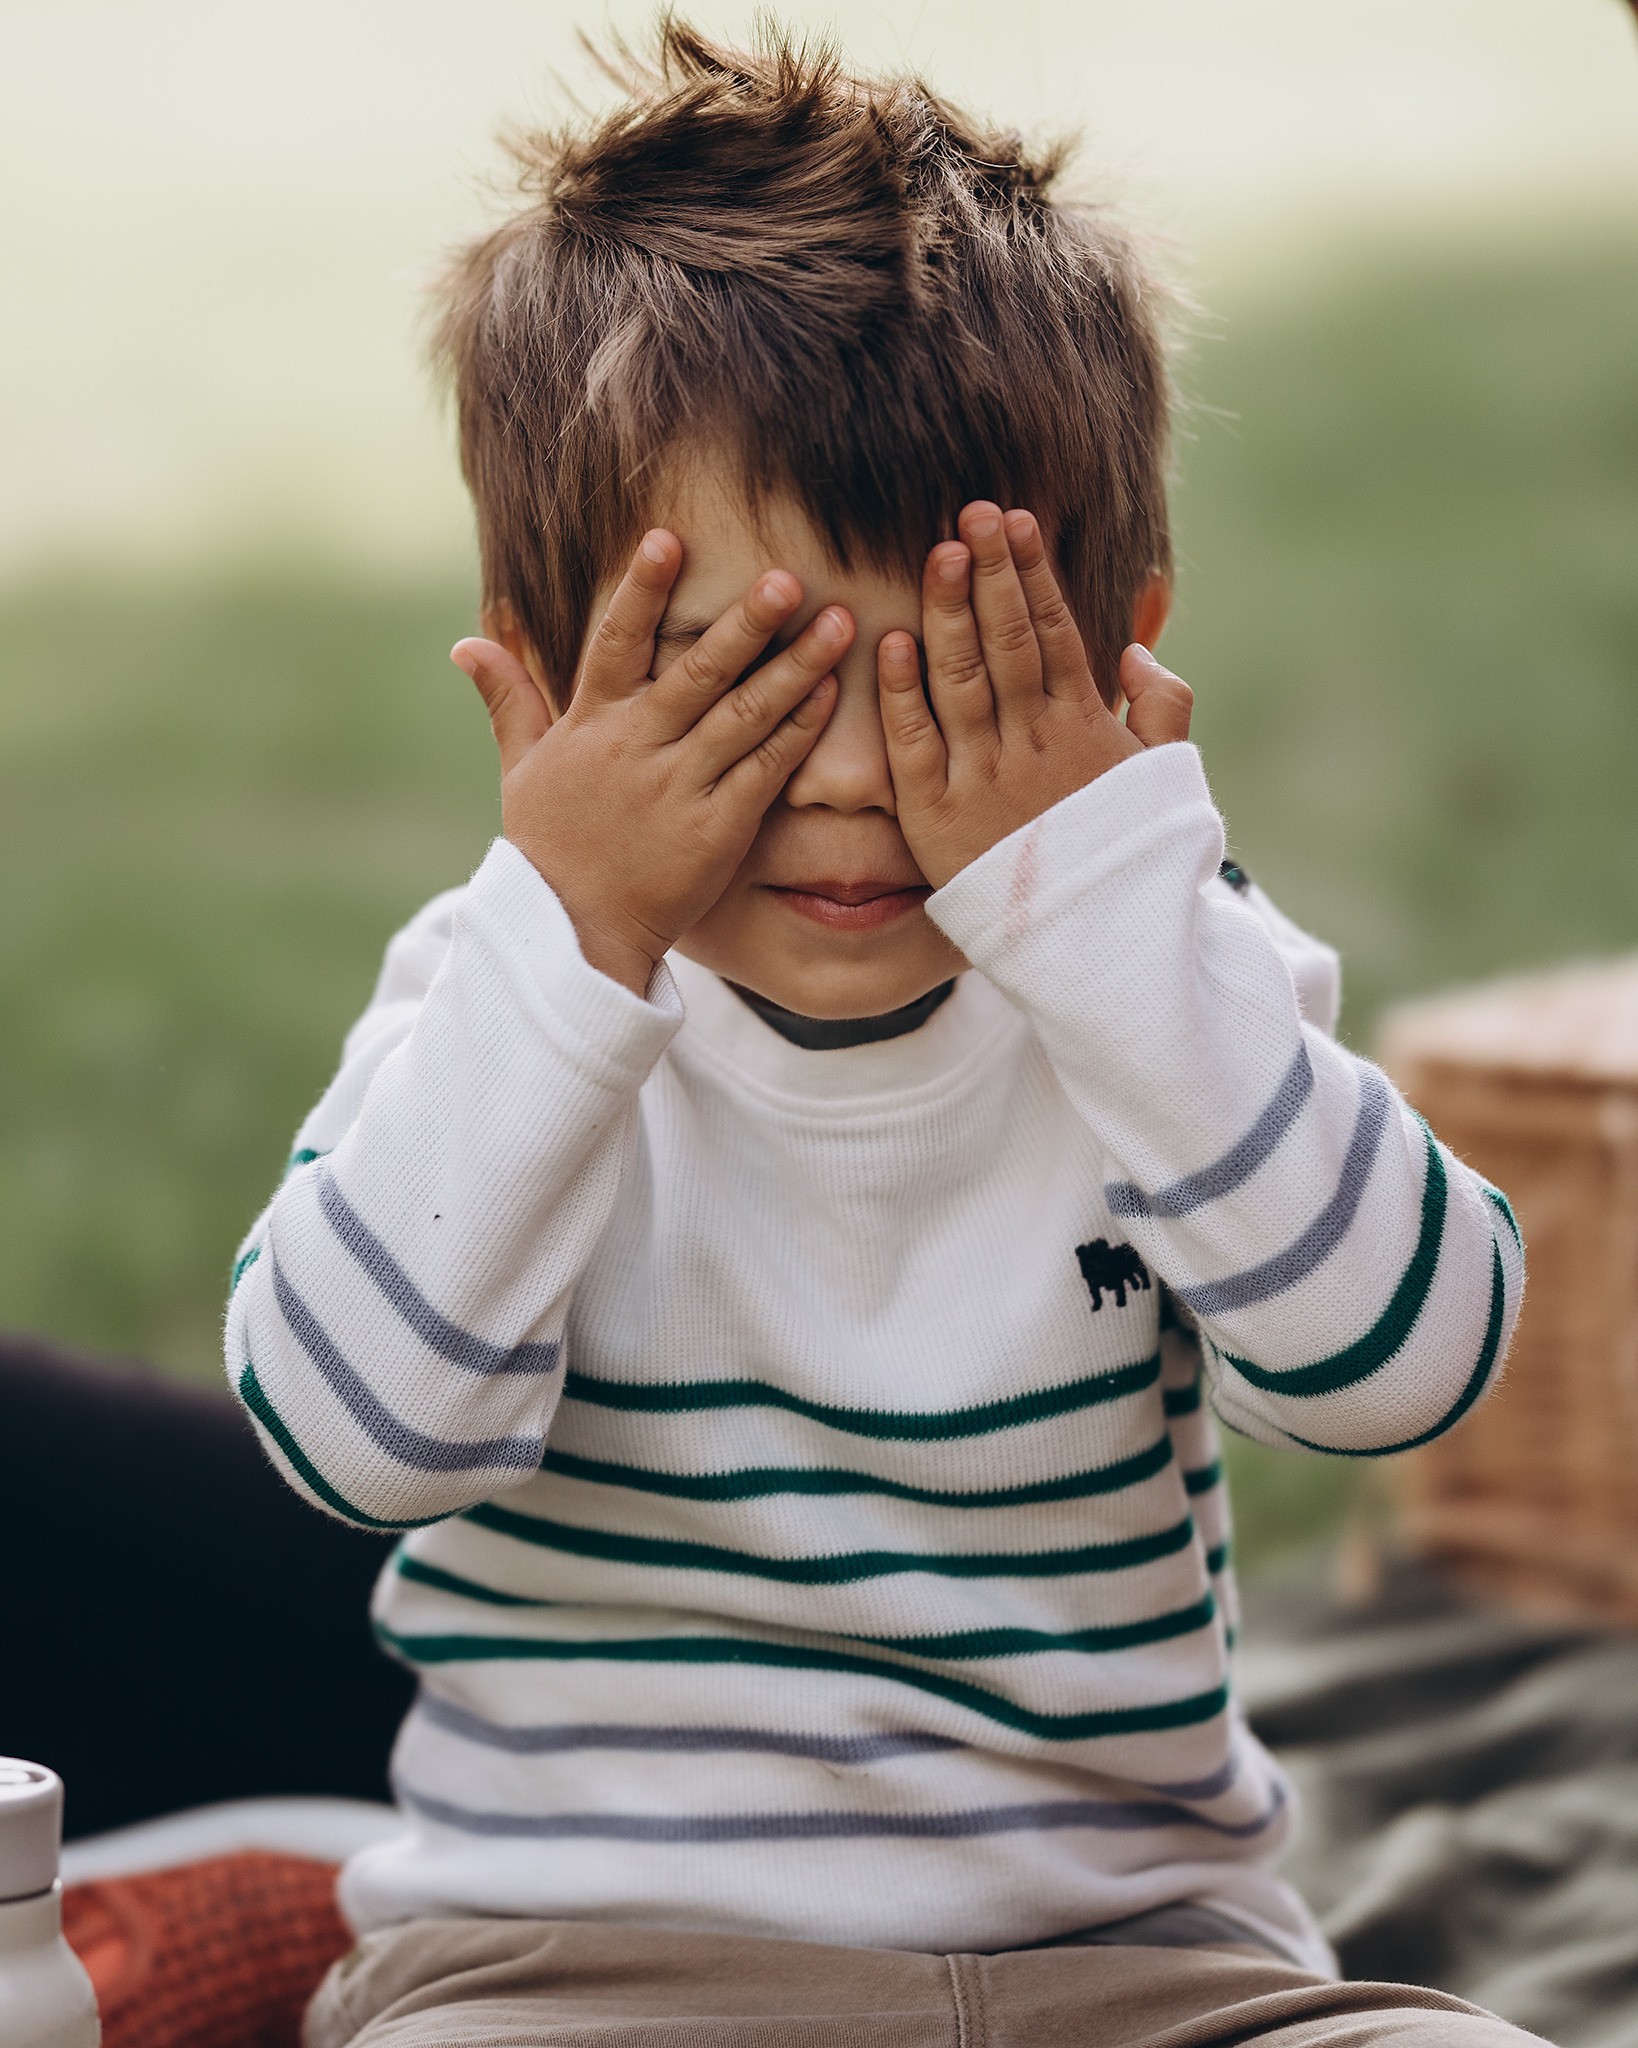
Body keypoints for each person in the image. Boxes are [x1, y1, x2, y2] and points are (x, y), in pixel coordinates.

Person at [223, 23, 1531, 2047]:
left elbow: (1404, 1373)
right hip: (591, 1971)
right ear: (542, 660)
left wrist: (1104, 908)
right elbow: (349, 1439)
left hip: (1147, 1970)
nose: (846, 783)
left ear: (1121, 655)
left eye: (949, 689)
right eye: (741, 685)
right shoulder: (501, 1002)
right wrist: (571, 943)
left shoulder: (1164, 982)